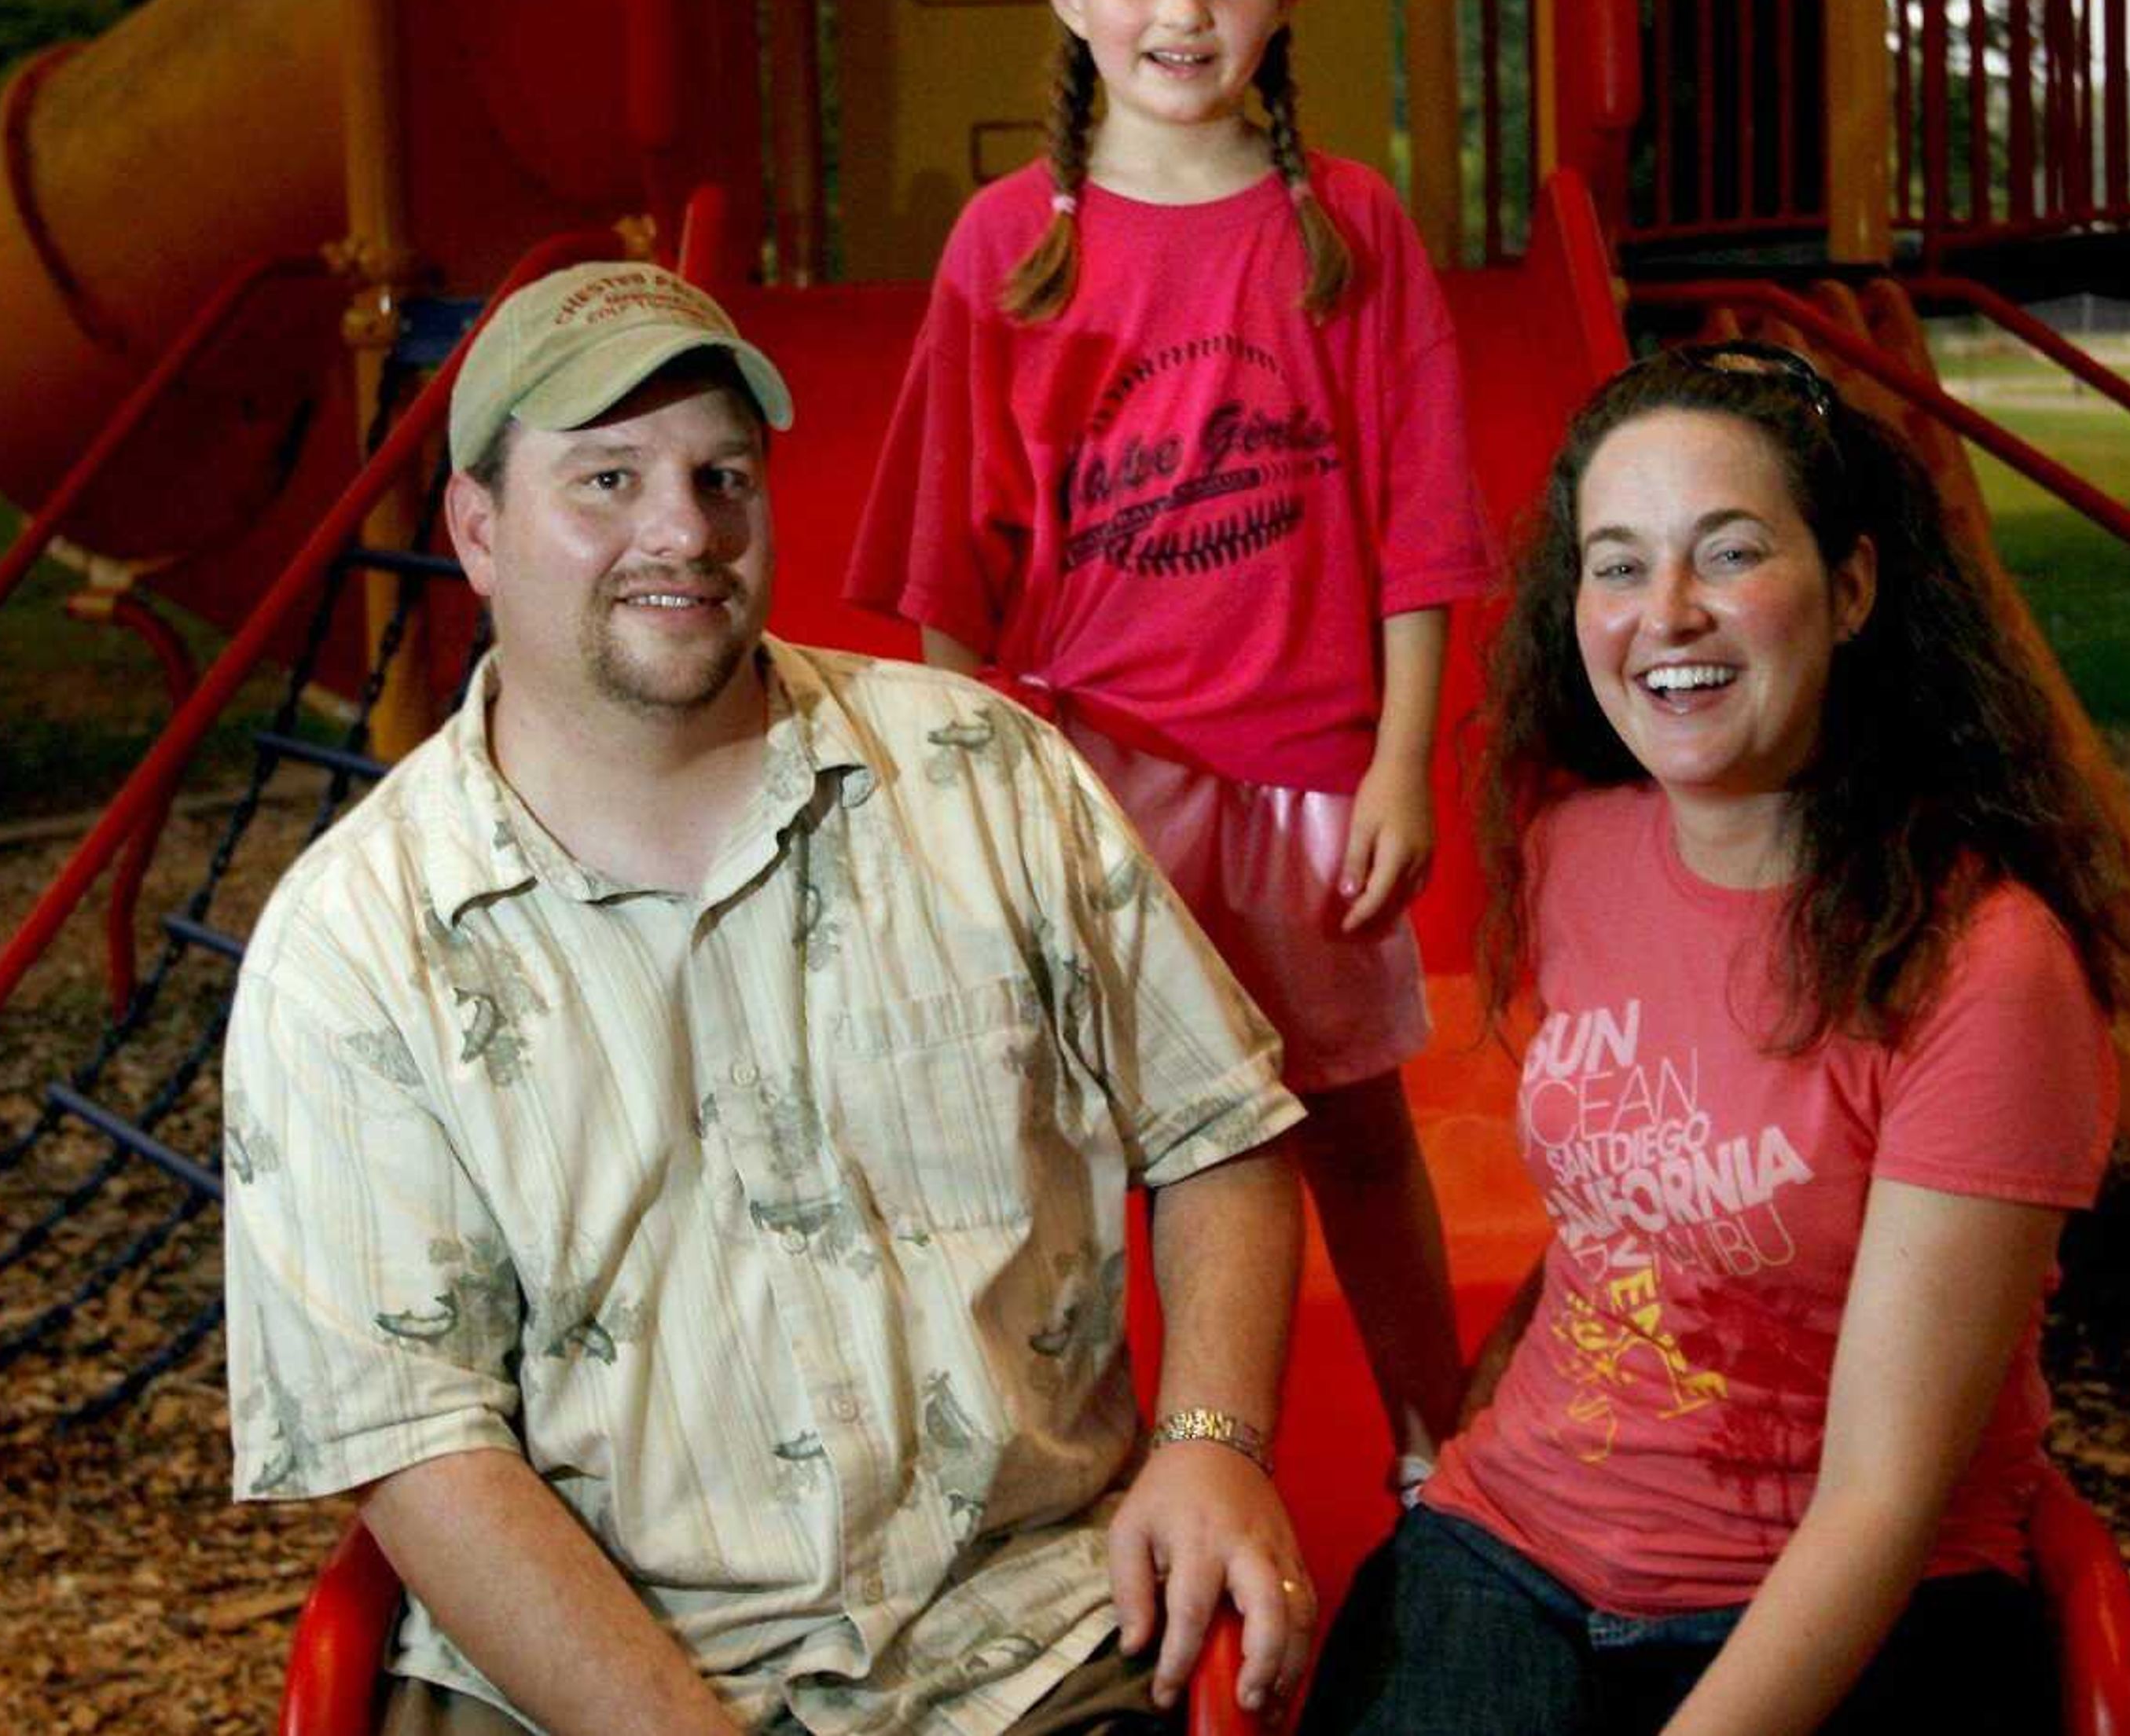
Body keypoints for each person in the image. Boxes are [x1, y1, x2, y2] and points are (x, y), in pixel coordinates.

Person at [224, 260, 1318, 1734]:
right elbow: (416, 1444)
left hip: (1030, 1647)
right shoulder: (352, 947)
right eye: (605, 478)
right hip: (583, 1685)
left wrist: (1211, 1439)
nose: (681, 528)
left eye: (720, 473)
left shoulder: (981, 778)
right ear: (477, 530)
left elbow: (1223, 1130)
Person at [1300, 343, 2130, 1734]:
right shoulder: (1575, 849)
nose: (1665, 613)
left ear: (1853, 587)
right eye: (1617, 565)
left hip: (1839, 1607)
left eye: (1728, 552)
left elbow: (1877, 1499)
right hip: (1509, 1554)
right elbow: (1613, 1215)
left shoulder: (1985, 968)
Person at [846, 0, 1494, 1492]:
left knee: (1349, 1124)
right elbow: (948, 552)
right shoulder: (1013, 243)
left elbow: (1425, 527)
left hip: (1300, 781)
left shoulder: (1343, 227)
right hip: (1082, 784)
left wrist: (1403, 763)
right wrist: (946, 796)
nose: (1183, 10)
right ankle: (1101, 1474)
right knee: (1073, 1147)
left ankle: (1450, 1441)